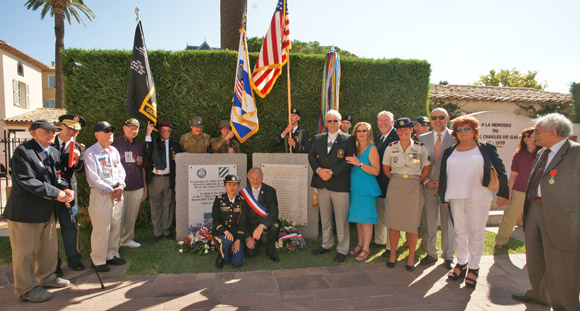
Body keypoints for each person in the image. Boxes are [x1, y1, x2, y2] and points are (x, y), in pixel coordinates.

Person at [512, 113, 580, 310]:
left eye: (538, 132)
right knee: (535, 256)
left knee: (563, 263)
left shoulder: (576, 153)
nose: (534, 136)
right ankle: (541, 295)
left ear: (553, 133)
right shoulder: (543, 153)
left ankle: (566, 305)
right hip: (535, 210)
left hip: (563, 217)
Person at [4, 120, 74, 303]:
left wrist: (65, 188)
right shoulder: (23, 152)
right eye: (47, 132)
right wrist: (56, 192)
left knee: (48, 249)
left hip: (47, 210)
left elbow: (58, 176)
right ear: (33, 133)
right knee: (24, 252)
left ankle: (47, 277)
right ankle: (26, 288)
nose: (51, 135)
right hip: (25, 212)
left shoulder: (53, 151)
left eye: (53, 132)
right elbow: (27, 180)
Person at [438, 116, 509, 288]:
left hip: (478, 196)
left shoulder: (485, 148)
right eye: (459, 130)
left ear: (474, 130)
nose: (463, 132)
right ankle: (462, 262)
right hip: (455, 196)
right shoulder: (450, 150)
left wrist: (504, 193)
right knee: (459, 231)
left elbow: (500, 170)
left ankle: (474, 267)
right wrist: (443, 196)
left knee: (475, 233)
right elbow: (443, 174)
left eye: (466, 129)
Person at [383, 118, 430, 271]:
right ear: (396, 131)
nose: (403, 132)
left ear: (411, 130)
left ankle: (411, 256)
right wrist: (398, 180)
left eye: (406, 129)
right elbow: (386, 168)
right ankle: (393, 254)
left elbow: (426, 168)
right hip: (396, 185)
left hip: (413, 186)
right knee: (394, 223)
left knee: (411, 225)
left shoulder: (420, 148)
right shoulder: (391, 148)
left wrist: (416, 180)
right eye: (400, 130)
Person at [309, 109, 356, 263]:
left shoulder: (348, 139)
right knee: (326, 217)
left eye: (335, 121)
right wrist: (319, 170)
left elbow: (349, 160)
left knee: (341, 219)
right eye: (329, 121)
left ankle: (342, 249)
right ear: (326, 123)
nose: (332, 123)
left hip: (339, 185)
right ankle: (327, 244)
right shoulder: (318, 138)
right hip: (322, 184)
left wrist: (332, 172)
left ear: (340, 122)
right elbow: (311, 156)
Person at [84, 121, 127, 272]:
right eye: (106, 131)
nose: (110, 134)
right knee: (102, 228)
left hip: (117, 192)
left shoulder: (114, 151)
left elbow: (120, 170)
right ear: (97, 134)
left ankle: (111, 254)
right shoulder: (91, 153)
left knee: (116, 226)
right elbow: (93, 178)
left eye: (111, 131)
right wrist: (110, 189)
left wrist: (121, 186)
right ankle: (98, 260)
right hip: (102, 194)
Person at [418, 108, 456, 270]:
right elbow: (417, 162)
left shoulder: (455, 137)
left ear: (447, 118)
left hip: (448, 188)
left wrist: (444, 183)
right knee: (430, 221)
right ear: (430, 120)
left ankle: (448, 255)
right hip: (428, 186)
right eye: (434, 118)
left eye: (441, 117)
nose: (437, 120)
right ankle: (431, 253)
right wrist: (425, 180)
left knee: (448, 223)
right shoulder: (422, 138)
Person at [53, 114, 86, 275]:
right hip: (50, 192)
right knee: (49, 231)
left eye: (76, 130)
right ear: (61, 126)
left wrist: (76, 163)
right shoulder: (49, 142)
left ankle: (74, 259)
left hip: (68, 192)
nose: (72, 132)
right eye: (70, 128)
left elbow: (80, 170)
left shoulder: (78, 147)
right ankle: (53, 264)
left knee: (70, 226)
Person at [494, 128, 537, 249]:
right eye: (524, 136)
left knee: (535, 219)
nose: (527, 138)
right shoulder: (519, 155)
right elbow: (513, 174)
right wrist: (509, 191)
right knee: (510, 215)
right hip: (519, 190)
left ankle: (535, 243)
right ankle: (501, 241)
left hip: (536, 192)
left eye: (529, 135)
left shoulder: (542, 153)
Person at [345, 122, 382, 261]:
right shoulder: (354, 148)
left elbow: (376, 171)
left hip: (367, 190)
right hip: (355, 189)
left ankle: (366, 249)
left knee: (366, 220)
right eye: (359, 131)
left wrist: (359, 163)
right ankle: (360, 244)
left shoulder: (371, 149)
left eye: (364, 131)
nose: (361, 133)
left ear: (369, 133)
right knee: (358, 219)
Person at [145, 121, 183, 242]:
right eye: (163, 131)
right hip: (156, 179)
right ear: (159, 132)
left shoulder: (175, 145)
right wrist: (148, 133)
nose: (166, 133)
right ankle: (157, 231)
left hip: (169, 178)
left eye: (168, 131)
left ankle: (167, 230)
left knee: (168, 205)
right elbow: (146, 150)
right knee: (156, 206)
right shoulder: (154, 143)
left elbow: (180, 163)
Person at [112, 118, 146, 248]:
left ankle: (126, 239)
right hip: (120, 187)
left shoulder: (139, 146)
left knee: (131, 216)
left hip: (136, 186)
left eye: (136, 128)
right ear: (124, 128)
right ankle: (115, 242)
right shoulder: (115, 143)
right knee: (117, 216)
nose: (133, 130)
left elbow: (142, 167)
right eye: (130, 127)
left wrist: (144, 187)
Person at [242, 168, 281, 262]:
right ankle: (257, 242)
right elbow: (242, 218)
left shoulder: (270, 191)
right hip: (251, 226)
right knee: (250, 254)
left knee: (276, 225)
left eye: (258, 177)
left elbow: (274, 213)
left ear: (262, 178)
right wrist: (247, 237)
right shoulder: (243, 193)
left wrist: (262, 226)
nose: (255, 181)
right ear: (248, 178)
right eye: (252, 178)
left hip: (265, 223)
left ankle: (270, 250)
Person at [374, 111, 399, 256]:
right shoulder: (378, 137)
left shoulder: (396, 137)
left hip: (392, 181)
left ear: (392, 122)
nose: (382, 123)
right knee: (381, 213)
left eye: (386, 120)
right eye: (380, 120)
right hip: (379, 182)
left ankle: (391, 246)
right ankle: (380, 240)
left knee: (391, 216)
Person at [212, 174, 247, 269]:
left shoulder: (241, 201)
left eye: (235, 184)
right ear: (225, 186)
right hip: (221, 234)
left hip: (236, 235)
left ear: (238, 186)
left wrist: (238, 240)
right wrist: (225, 231)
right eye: (229, 184)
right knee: (227, 241)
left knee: (237, 263)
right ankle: (222, 256)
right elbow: (216, 220)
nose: (232, 187)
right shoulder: (219, 200)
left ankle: (228, 251)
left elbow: (242, 223)